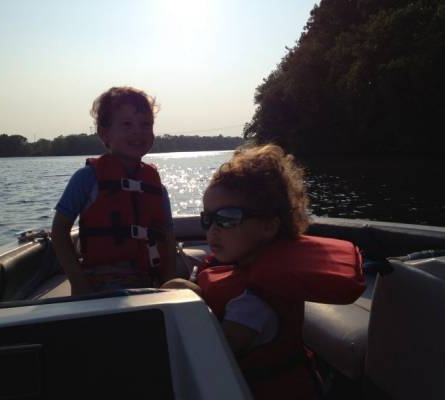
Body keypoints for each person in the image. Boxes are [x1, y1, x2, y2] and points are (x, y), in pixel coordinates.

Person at [162, 144, 365, 399]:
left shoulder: (254, 301)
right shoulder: (226, 266)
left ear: (268, 226)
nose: (212, 229)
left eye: (227, 218)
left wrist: (189, 299)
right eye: (208, 218)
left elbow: (212, 357)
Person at [52, 86, 176, 295]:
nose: (138, 131)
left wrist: (169, 284)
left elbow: (168, 238)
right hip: (100, 287)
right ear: (104, 134)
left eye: (146, 124)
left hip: (150, 285)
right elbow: (59, 232)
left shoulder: (157, 188)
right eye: (127, 124)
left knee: (190, 289)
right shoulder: (86, 179)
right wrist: (79, 283)